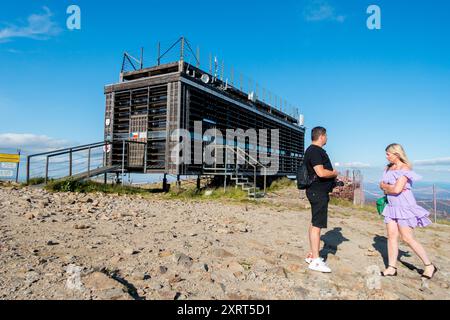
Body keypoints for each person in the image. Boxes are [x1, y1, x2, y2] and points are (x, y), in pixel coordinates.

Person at [379, 143, 438, 279]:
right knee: (391, 236)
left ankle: (429, 266)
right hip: (392, 206)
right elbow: (383, 185)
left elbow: (397, 190)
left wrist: (387, 187)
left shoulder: (405, 168)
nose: (386, 156)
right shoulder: (388, 168)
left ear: (397, 154)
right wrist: (389, 187)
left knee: (407, 238)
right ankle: (392, 267)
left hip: (404, 206)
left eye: (388, 154)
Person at [303, 127, 339, 273]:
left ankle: (312, 255)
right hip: (318, 192)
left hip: (316, 191)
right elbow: (320, 172)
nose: (327, 138)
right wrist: (334, 173)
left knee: (314, 223)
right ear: (321, 136)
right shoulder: (315, 151)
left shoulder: (311, 150)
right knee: (317, 225)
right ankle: (316, 261)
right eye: (326, 136)